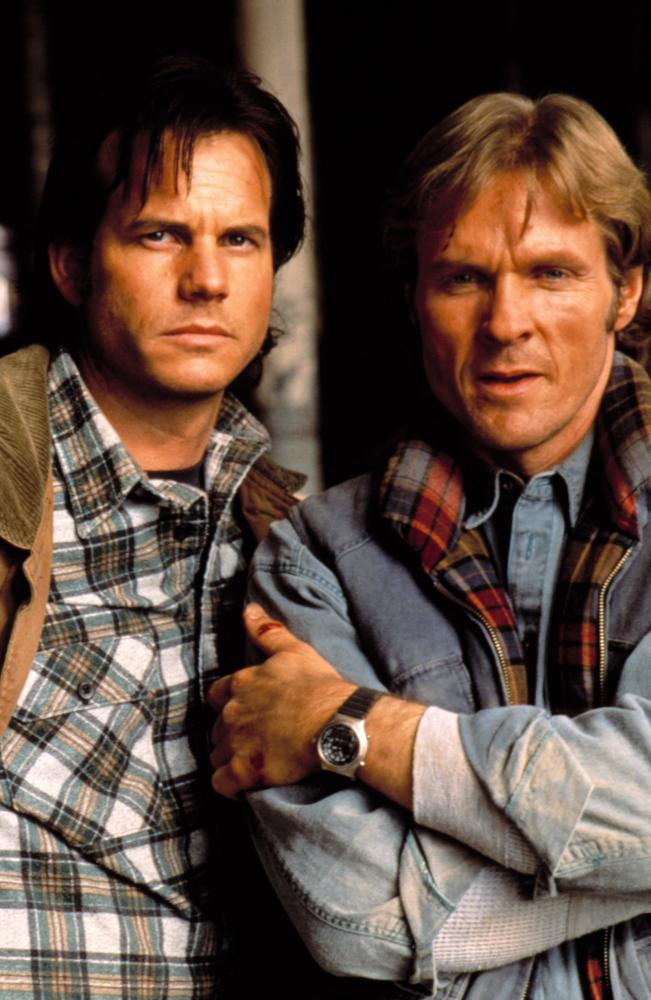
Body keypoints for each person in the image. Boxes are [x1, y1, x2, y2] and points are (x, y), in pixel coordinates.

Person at [209, 92, 651, 998]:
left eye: (551, 273)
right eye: (462, 278)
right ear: (414, 297)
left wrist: (352, 728)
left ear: (627, 291)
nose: (505, 322)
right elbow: (358, 916)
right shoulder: (313, 558)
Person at [0, 56, 305, 998]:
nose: (206, 278)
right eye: (160, 234)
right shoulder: (10, 483)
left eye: (240, 239)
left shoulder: (294, 535)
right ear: (71, 263)